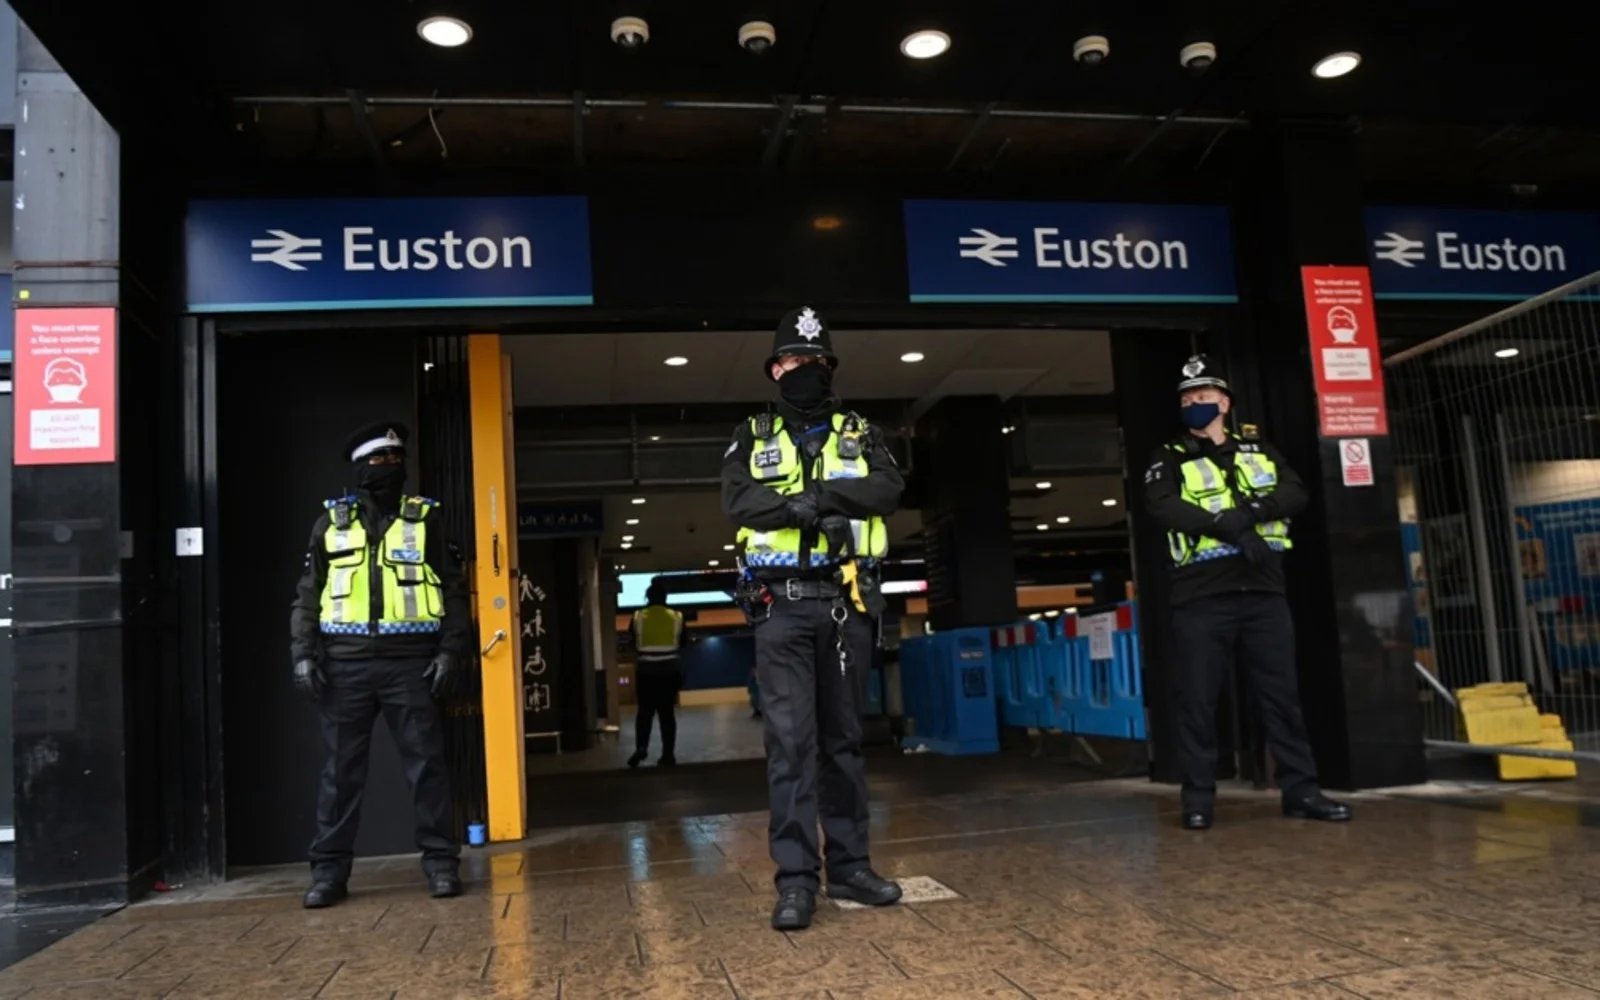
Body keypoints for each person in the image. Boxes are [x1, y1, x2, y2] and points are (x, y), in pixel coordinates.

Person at [721, 305, 905, 930]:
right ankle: (796, 882)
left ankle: (851, 866)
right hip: (782, 607)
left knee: (844, 742)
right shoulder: (752, 434)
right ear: (776, 368)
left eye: (818, 361)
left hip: (846, 602)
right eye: (797, 361)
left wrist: (825, 497)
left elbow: (887, 488)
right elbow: (737, 498)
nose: (808, 370)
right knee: (791, 748)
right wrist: (798, 510)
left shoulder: (861, 430)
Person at [1142, 355, 1353, 831]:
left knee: (1282, 697)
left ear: (1225, 403)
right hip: (1201, 598)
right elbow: (1165, 508)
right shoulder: (1168, 457)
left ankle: (1301, 790)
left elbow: (1295, 492)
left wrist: (1250, 512)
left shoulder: (1258, 449)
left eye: (1203, 397)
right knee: (1197, 701)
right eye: (1187, 399)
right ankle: (1198, 799)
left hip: (1263, 594)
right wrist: (1232, 528)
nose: (1195, 404)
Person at [289, 421, 471, 907]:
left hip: (410, 665)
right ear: (359, 468)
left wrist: (451, 650)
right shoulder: (332, 522)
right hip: (343, 666)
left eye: (395, 460)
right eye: (378, 460)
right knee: (340, 775)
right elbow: (308, 595)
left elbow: (454, 591)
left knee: (427, 768)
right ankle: (328, 874)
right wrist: (303, 653)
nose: (389, 468)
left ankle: (440, 864)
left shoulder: (426, 519)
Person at [629, 580, 684, 768]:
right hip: (669, 672)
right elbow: (682, 642)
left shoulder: (637, 617)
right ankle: (668, 754)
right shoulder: (676, 616)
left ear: (648, 597)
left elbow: (631, 641)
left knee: (644, 713)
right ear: (665, 597)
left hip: (646, 672)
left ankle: (641, 747)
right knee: (667, 715)